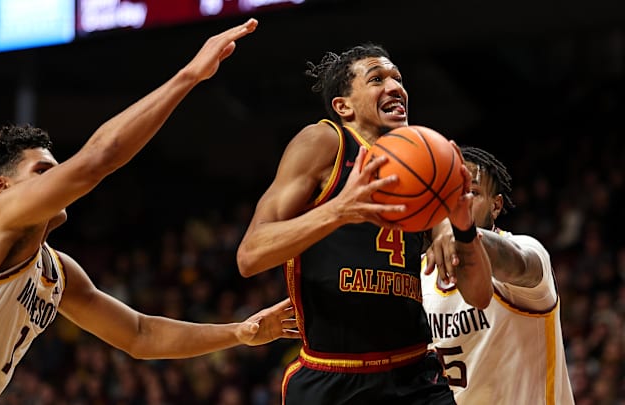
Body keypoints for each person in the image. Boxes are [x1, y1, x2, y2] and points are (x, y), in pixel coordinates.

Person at [0, 19, 300, 404]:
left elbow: (140, 335)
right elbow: (98, 159)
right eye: (43, 172)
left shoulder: (55, 272)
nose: (57, 180)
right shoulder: (0, 217)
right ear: (2, 188)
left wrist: (240, 332)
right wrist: (189, 76)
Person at [236, 43, 493, 404]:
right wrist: (338, 210)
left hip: (414, 374)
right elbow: (249, 255)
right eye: (377, 79)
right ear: (344, 106)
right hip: (334, 376)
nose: (395, 87)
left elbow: (480, 296)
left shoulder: (425, 164)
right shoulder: (327, 143)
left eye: (398, 78)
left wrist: (460, 227)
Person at [421, 146, 575, 404]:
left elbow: (519, 264)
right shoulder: (420, 274)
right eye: (450, 193)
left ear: (496, 206)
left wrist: (465, 234)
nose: (460, 202)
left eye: (472, 192)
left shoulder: (527, 250)